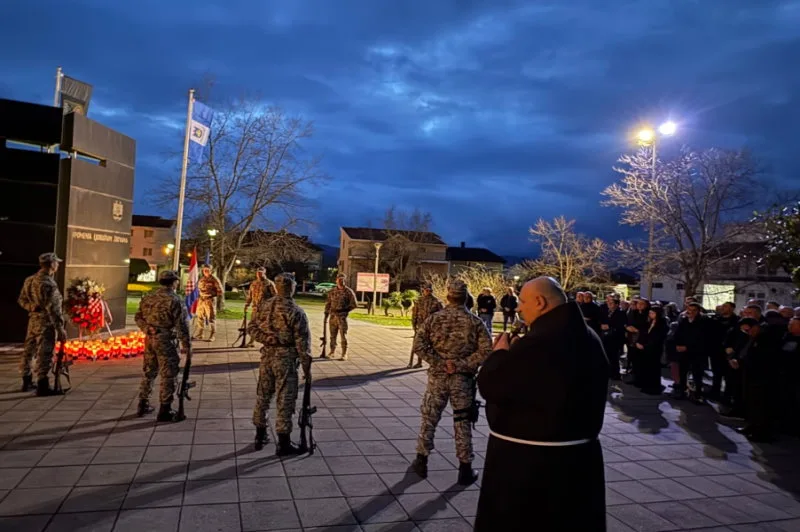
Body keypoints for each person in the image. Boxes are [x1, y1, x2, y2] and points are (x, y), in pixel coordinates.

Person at [474, 277, 608, 531]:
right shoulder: (588, 337)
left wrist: (499, 355)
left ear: (540, 301)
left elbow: (494, 386)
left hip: (530, 465)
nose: (520, 308)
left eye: (523, 302)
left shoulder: (540, 343)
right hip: (578, 460)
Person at [410, 279, 492, 485]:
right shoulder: (475, 322)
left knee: (429, 418)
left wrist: (440, 362)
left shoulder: (433, 319)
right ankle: (465, 468)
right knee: (462, 421)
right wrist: (461, 364)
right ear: (466, 298)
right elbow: (486, 351)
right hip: (462, 381)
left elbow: (419, 346)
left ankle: (421, 460)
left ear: (447, 296)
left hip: (438, 378)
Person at [247, 273, 312, 454]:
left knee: (263, 396)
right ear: (292, 288)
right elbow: (302, 344)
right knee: (285, 399)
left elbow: (251, 328)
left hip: (267, 356)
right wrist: (307, 368)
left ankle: (260, 435)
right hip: (286, 359)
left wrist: (265, 338)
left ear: (276, 287)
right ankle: (283, 443)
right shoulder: (295, 311)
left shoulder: (265, 306)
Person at [135, 270, 192, 421]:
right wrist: (186, 344)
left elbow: (138, 317)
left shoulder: (148, 297)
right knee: (168, 374)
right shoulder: (175, 300)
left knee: (149, 371)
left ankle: (143, 403)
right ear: (174, 282)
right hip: (166, 341)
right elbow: (182, 325)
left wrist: (147, 329)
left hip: (150, 339)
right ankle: (165, 409)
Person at [17, 252, 67, 395]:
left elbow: (22, 300)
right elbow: (55, 310)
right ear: (51, 265)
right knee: (44, 353)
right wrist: (60, 329)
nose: (57, 265)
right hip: (46, 323)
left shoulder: (30, 280)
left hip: (33, 321)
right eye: (56, 263)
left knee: (29, 351)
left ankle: (26, 380)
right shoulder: (49, 284)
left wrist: (31, 308)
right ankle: (42, 385)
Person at [733, 317, 779, 442]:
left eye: (748, 330)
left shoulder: (765, 339)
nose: (748, 333)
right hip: (749, 373)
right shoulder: (751, 338)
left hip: (760, 376)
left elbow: (762, 358)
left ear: (755, 327)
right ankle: (751, 425)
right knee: (750, 402)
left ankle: (760, 431)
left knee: (759, 404)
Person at [672, 302, 710, 402]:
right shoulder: (684, 320)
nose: (691, 312)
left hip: (696, 352)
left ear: (698, 311)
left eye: (694, 311)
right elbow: (678, 334)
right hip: (683, 352)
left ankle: (697, 393)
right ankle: (682, 390)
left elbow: (701, 338)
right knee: (683, 372)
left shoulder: (703, 322)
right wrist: (678, 345)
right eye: (689, 310)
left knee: (697, 373)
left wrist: (687, 347)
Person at [635, 305, 668, 394]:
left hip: (654, 349)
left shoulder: (662, 324)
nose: (650, 315)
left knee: (654, 369)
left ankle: (654, 387)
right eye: (650, 313)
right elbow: (644, 333)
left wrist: (645, 346)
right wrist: (639, 342)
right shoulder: (649, 322)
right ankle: (646, 385)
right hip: (646, 349)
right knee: (646, 368)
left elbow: (657, 338)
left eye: (653, 313)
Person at [323, 273, 357, 360]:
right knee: (332, 335)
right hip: (333, 316)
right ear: (336, 280)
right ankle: (332, 351)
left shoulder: (349, 292)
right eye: (339, 280)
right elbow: (328, 303)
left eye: (343, 280)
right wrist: (326, 314)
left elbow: (354, 304)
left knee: (343, 335)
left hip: (342, 317)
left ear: (345, 281)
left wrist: (345, 310)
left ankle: (344, 353)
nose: (341, 281)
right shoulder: (332, 291)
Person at [409, 282, 443, 368]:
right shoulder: (419, 301)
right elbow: (415, 314)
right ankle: (416, 362)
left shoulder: (436, 301)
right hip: (420, 326)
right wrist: (414, 324)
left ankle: (434, 362)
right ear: (423, 290)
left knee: (433, 345)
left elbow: (441, 315)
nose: (427, 292)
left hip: (432, 327)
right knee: (417, 344)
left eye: (429, 290)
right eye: (425, 290)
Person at [244, 267, 276, 347]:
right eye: (258, 273)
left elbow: (275, 296)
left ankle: (268, 342)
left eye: (261, 273)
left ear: (264, 273)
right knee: (253, 325)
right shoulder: (254, 283)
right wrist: (247, 304)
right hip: (255, 308)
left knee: (266, 326)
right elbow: (250, 295)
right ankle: (251, 341)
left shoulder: (269, 283)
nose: (259, 274)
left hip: (265, 309)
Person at [600, 294, 627, 380]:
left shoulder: (621, 313)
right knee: (607, 355)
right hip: (606, 337)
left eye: (611, 303)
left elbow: (621, 325)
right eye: (608, 303)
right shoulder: (607, 311)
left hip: (615, 338)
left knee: (614, 357)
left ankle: (616, 374)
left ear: (616, 304)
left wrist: (610, 326)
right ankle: (609, 372)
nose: (609, 304)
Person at [194, 265, 223, 342]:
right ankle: (200, 334)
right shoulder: (201, 279)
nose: (205, 271)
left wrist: (212, 295)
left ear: (211, 271)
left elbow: (220, 291)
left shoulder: (214, 279)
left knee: (211, 318)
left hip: (209, 301)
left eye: (207, 270)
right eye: (204, 270)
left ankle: (212, 335)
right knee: (200, 318)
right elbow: (198, 289)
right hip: (201, 300)